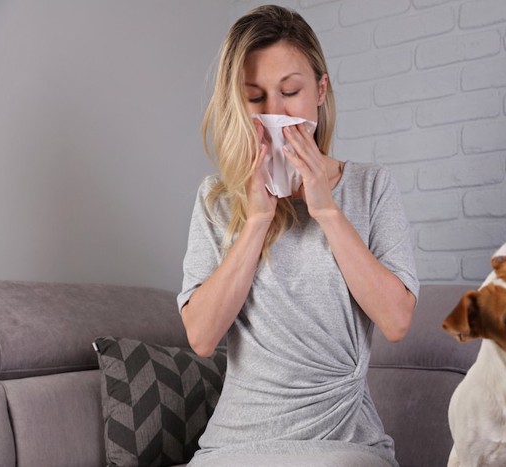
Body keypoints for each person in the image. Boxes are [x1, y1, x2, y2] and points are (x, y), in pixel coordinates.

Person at [177, 5, 419, 467]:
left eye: (290, 92)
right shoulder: (217, 199)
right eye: (254, 98)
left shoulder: (371, 187)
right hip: (235, 446)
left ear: (321, 91)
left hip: (344, 442)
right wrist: (255, 222)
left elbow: (396, 320)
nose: (275, 113)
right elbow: (202, 337)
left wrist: (326, 208)